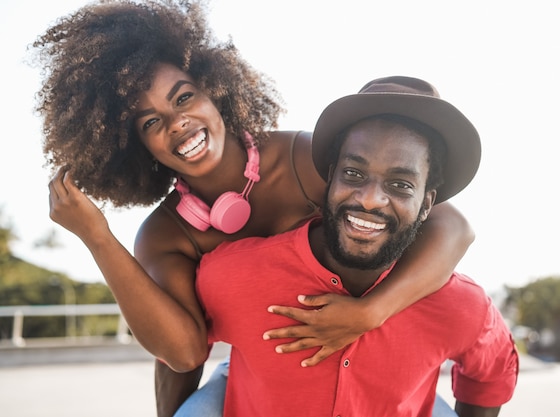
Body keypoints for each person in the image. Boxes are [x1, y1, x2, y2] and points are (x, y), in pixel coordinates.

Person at [34, 1, 473, 415]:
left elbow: (453, 225)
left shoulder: (302, 159)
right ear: (134, 145)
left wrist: (369, 313)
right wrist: (98, 238)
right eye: (150, 122)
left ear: (215, 91)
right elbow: (183, 354)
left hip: (380, 358)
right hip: (259, 372)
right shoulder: (165, 234)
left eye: (184, 97)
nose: (177, 122)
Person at [193, 76, 519, 417]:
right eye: (354, 174)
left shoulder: (459, 305)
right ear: (330, 178)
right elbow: (179, 348)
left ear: (427, 205)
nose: (370, 200)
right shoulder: (234, 275)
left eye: (399, 184)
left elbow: (493, 373)